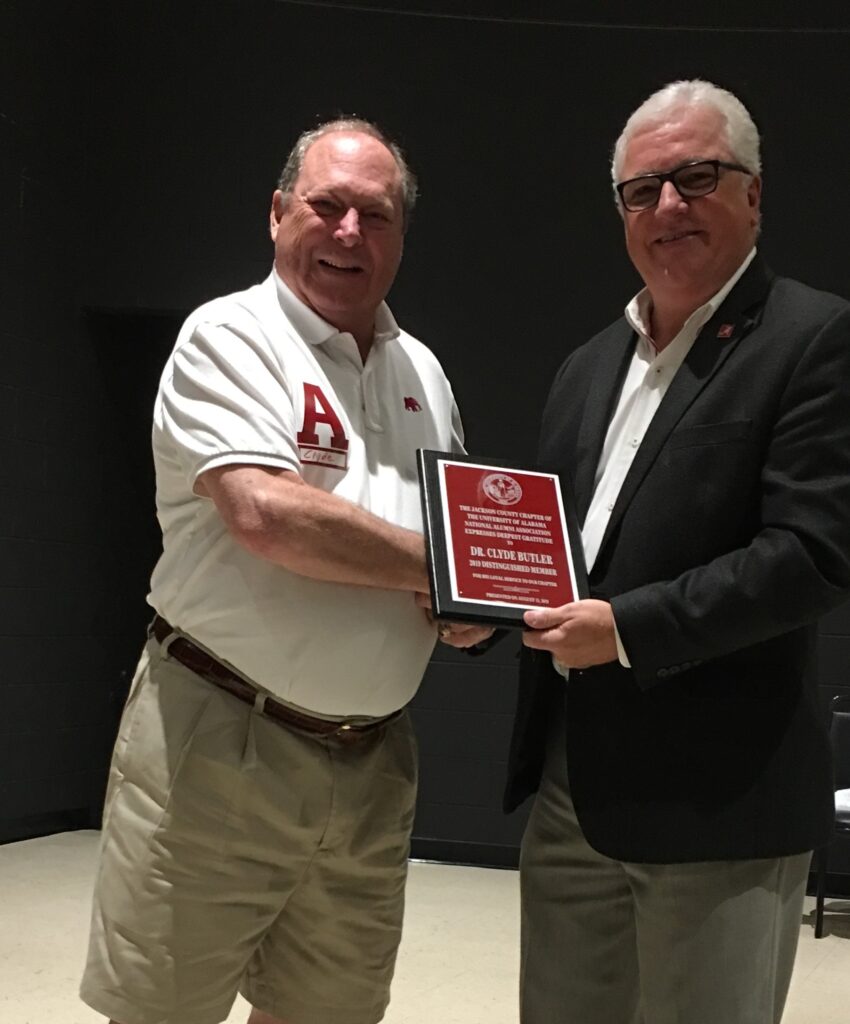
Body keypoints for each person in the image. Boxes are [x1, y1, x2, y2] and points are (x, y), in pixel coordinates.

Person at [80, 118, 488, 1024]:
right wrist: (444, 567)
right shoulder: (228, 335)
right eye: (327, 205)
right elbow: (266, 514)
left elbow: (451, 538)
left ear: (400, 236)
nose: (349, 232)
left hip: (373, 758)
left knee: (329, 1013)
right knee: (162, 1012)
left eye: (374, 215)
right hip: (219, 739)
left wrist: (473, 607)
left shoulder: (424, 370)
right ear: (277, 214)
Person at [508, 80, 850, 1024]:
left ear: (753, 193)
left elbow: (814, 554)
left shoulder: (815, 338)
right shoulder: (587, 366)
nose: (666, 206)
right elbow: (563, 552)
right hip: (574, 788)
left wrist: (625, 629)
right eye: (641, 188)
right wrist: (490, 608)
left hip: (721, 802)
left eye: (696, 177)